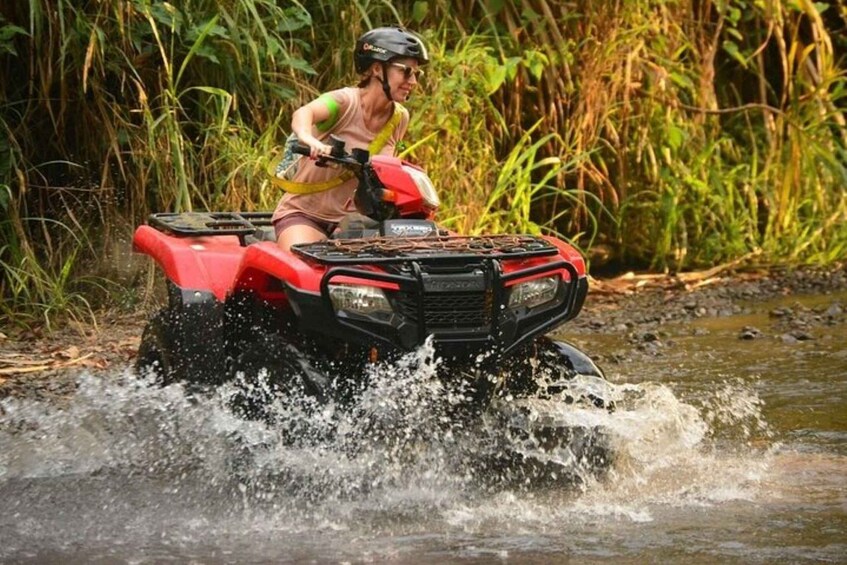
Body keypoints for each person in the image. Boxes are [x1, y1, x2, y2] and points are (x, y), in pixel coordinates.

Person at [271, 27, 429, 251]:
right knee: (306, 264)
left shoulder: (399, 118)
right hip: (305, 215)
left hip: (354, 223)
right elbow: (304, 114)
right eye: (406, 71)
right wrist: (311, 140)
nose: (413, 81)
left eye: (416, 74)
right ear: (377, 69)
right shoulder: (344, 102)